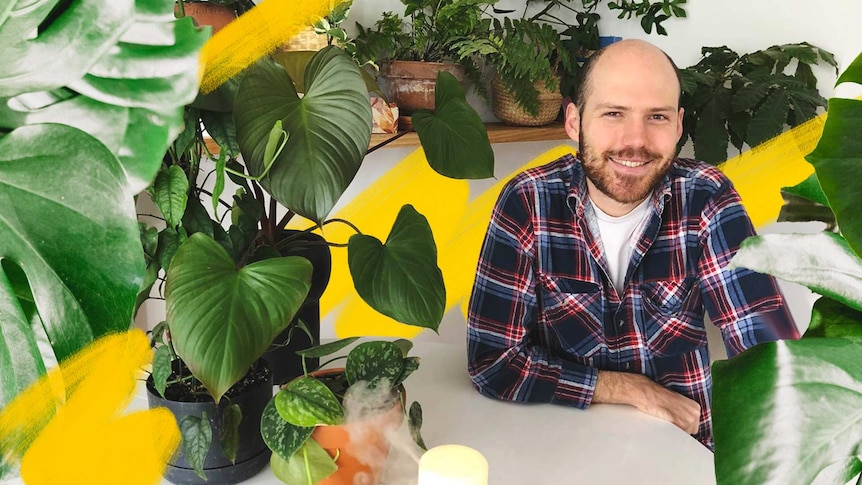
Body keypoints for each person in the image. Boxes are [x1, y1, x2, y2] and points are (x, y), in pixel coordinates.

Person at [465, 39, 799, 450]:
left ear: (678, 126)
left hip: (679, 449)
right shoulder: (526, 202)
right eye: (613, 113)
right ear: (575, 121)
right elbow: (493, 363)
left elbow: (769, 353)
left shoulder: (706, 197)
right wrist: (630, 389)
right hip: (558, 444)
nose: (635, 140)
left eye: (656, 116)